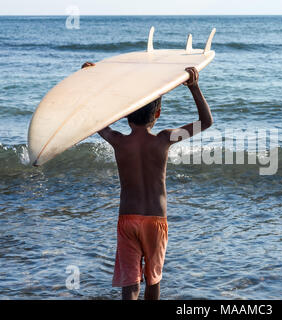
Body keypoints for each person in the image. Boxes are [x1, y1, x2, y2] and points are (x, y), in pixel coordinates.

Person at [81, 62, 213, 299]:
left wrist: (89, 80)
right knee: (153, 280)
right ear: (158, 113)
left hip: (127, 220)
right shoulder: (164, 139)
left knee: (130, 284)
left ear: (125, 113)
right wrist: (193, 87)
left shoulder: (118, 140)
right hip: (155, 221)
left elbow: (93, 120)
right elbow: (205, 121)